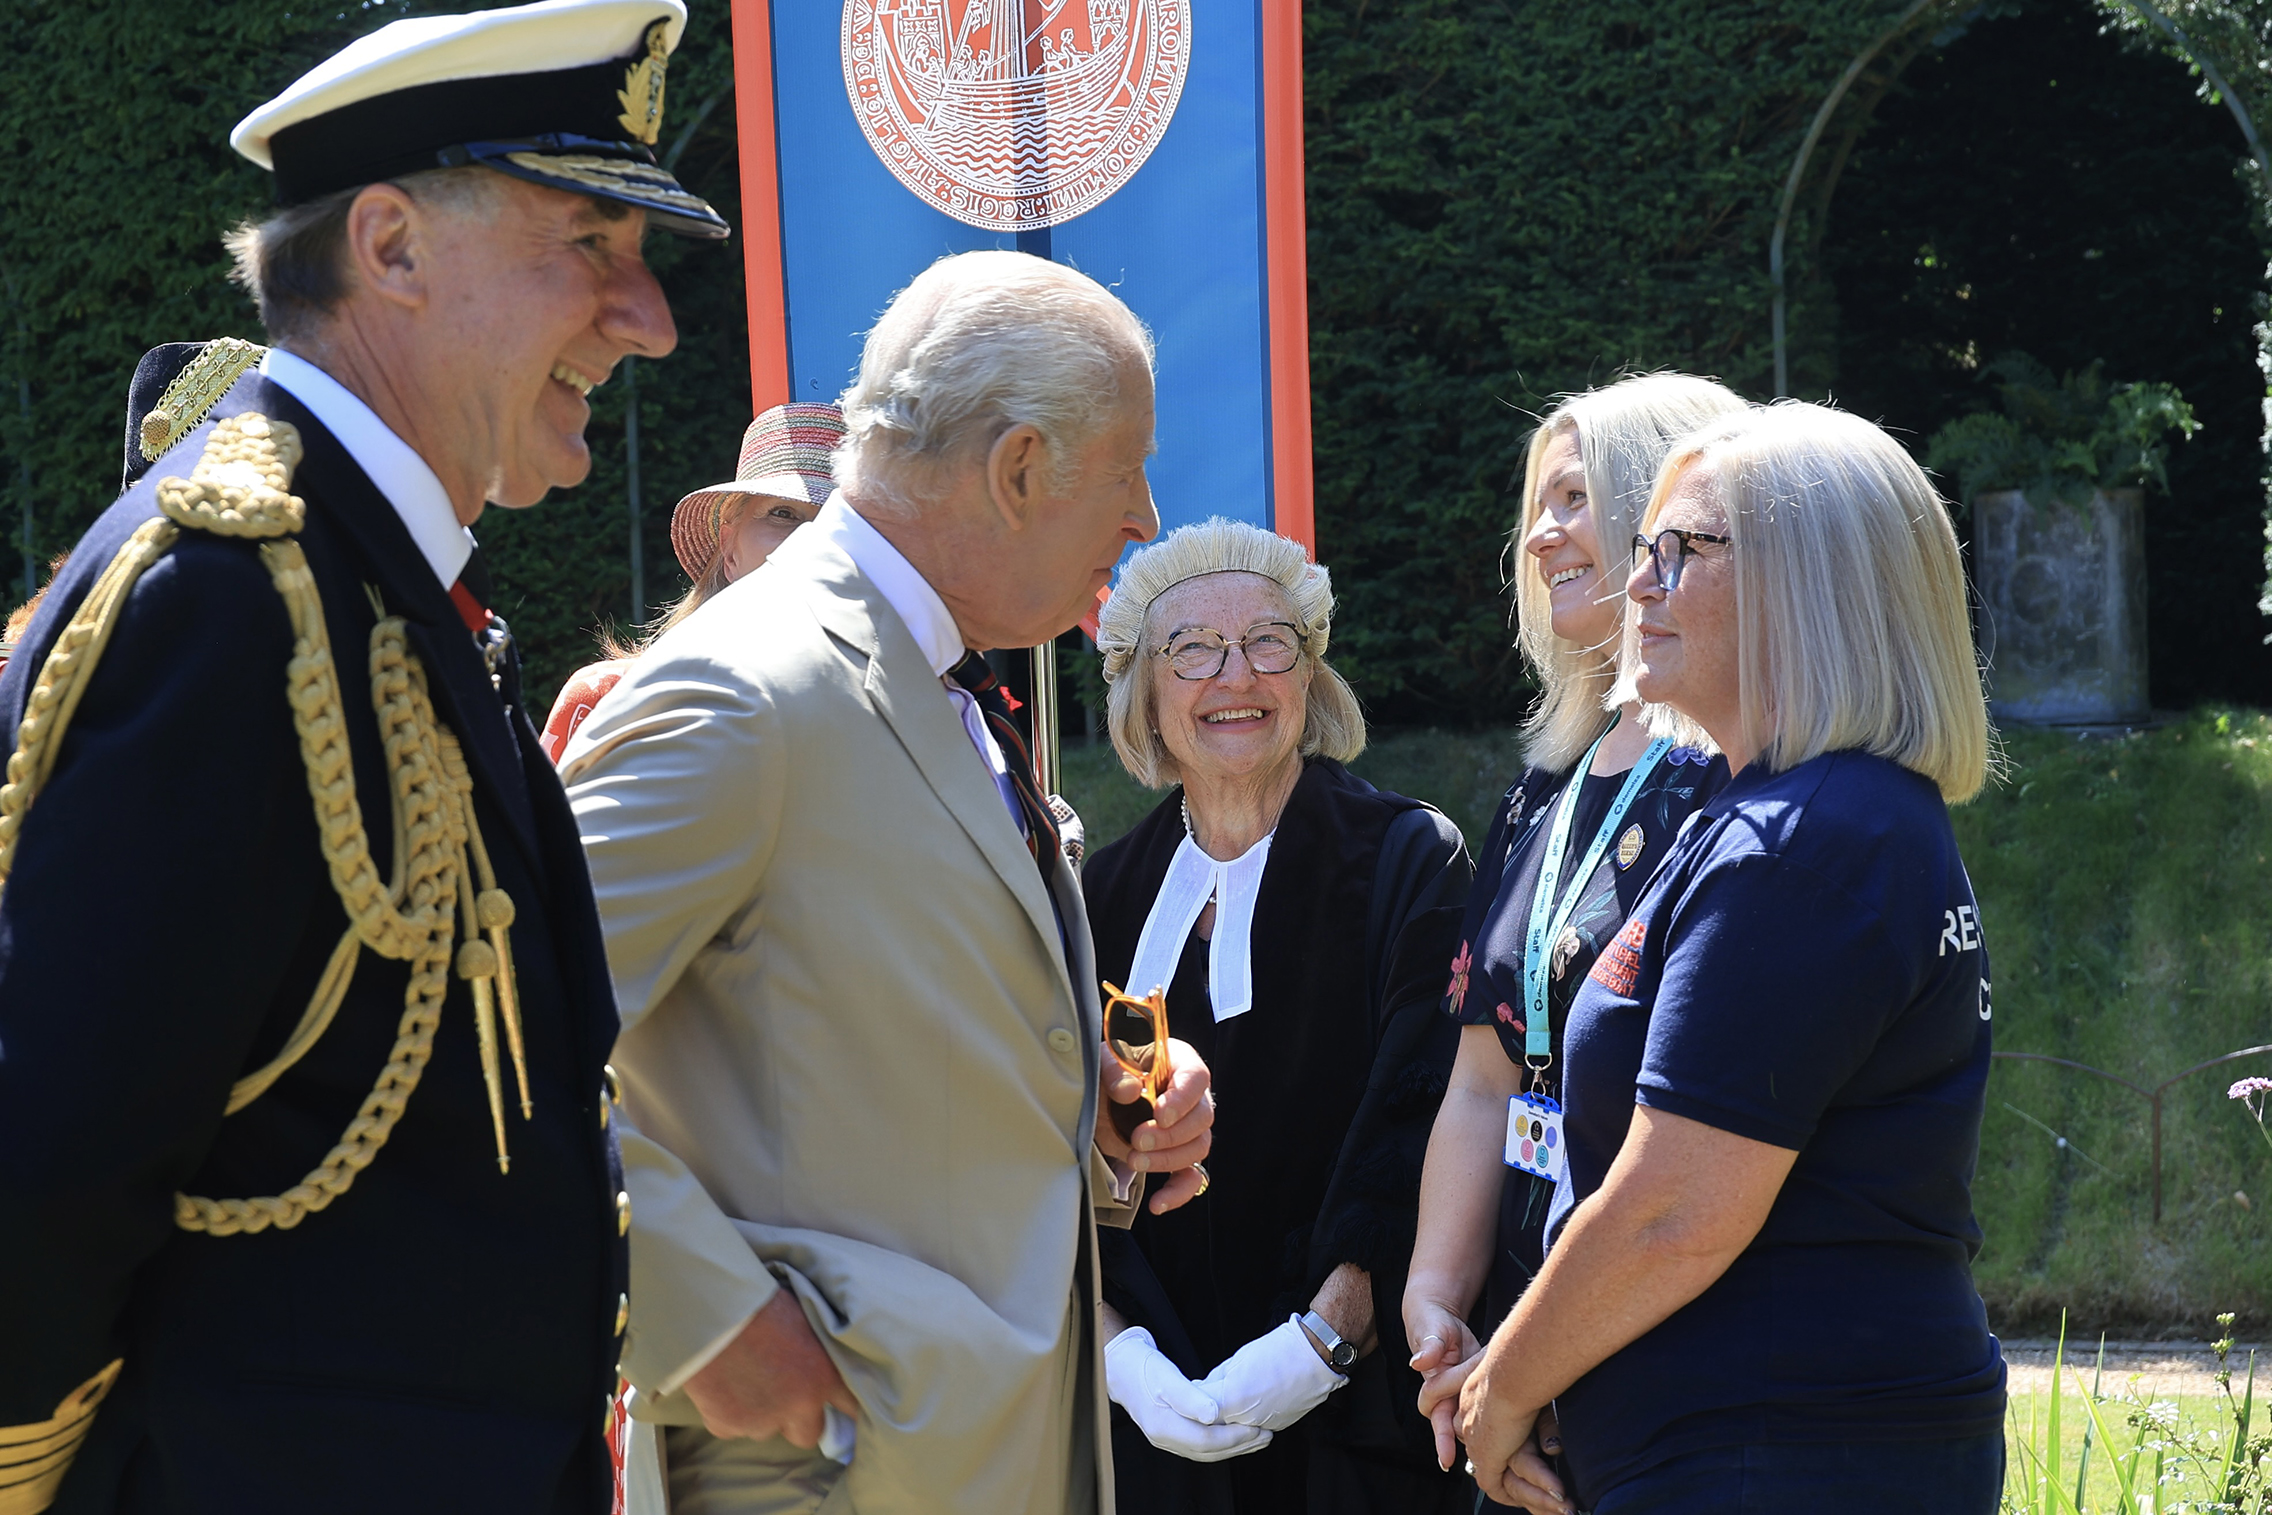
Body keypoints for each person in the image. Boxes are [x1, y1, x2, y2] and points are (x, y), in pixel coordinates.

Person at [0, 1, 724, 1508]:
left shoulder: (377, 583)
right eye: (590, 241)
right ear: (389, 248)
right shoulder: (231, 595)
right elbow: (41, 1189)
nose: (647, 316)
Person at [557, 249, 1217, 1515]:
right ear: (1019, 469)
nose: (1144, 516)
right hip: (820, 1475)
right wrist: (709, 1325)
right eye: (1128, 465)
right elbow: (504, 1062)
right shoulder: (742, 689)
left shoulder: (938, 682)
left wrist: (1102, 1103)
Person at [1453, 402, 2005, 1514]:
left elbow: (1673, 1214)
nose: (1638, 586)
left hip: (1781, 1448)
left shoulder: (1799, 844)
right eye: (1643, 549)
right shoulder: (1799, 816)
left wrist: (1498, 1396)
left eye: (1680, 551)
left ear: (1814, 581)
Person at [1081, 518, 1473, 1514]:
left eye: (1269, 643)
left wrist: (1324, 1338)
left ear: (1309, 677)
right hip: (1156, 1427)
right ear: (1144, 691)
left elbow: (1425, 1117)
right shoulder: (1099, 895)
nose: (1234, 676)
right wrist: (1125, 1357)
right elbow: (1068, 1146)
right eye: (1193, 650)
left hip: (1358, 1420)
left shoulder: (1405, 859)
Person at [1402, 374, 1743, 1465]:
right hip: (1506, 1323)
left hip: (1648, 1328)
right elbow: (1478, 1076)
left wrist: (1531, 1371)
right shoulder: (1535, 789)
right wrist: (1434, 1301)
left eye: (1572, 501)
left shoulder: (1739, 783)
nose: (1539, 538)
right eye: (1534, 512)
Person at [539, 402, 843, 760]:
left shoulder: (887, 720)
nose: (809, 538)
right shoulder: (609, 700)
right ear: (729, 549)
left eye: (837, 522)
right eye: (783, 513)